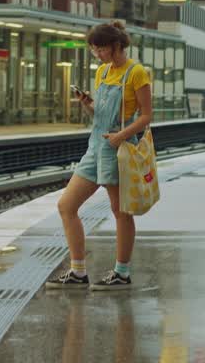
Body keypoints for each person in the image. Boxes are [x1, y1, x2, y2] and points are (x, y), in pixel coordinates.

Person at [46, 20, 154, 290]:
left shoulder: (137, 73)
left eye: (100, 49)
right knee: (66, 206)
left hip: (119, 149)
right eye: (94, 50)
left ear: (116, 46)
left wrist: (120, 136)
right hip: (95, 146)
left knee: (120, 211)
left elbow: (147, 116)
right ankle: (78, 271)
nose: (97, 54)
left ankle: (122, 272)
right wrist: (87, 105)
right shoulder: (103, 73)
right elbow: (101, 114)